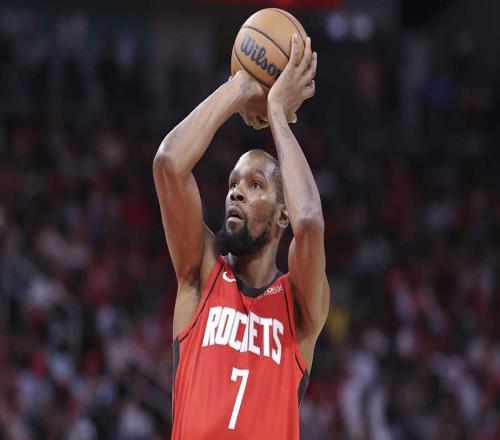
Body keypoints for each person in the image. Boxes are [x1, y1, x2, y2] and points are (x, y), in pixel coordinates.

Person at [153, 34, 329, 439]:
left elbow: (309, 221)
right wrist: (241, 86)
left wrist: (277, 113)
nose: (236, 192)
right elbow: (169, 164)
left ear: (282, 213)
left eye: (254, 185)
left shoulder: (298, 304)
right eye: (233, 183)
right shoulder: (201, 273)